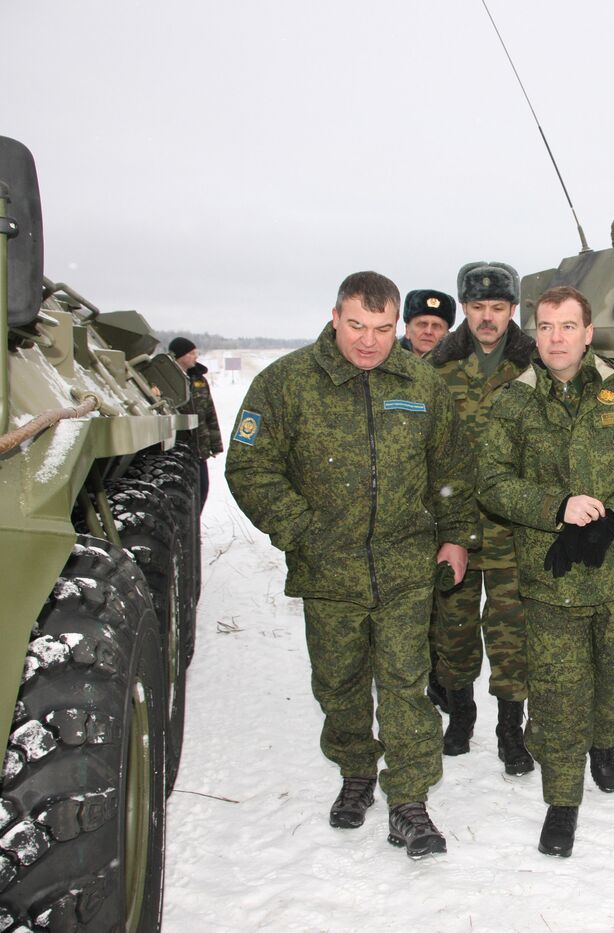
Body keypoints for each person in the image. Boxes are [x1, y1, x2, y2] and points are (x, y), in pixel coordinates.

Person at [225, 271, 476, 859]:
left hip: (405, 565)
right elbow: (250, 468)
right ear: (335, 317)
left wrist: (456, 536)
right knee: (337, 682)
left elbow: (453, 467)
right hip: (328, 571)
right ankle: (356, 770)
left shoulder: (420, 382)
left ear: (398, 327)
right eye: (358, 326)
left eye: (383, 329)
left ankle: (410, 800)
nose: (369, 341)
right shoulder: (285, 384)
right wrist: (302, 530)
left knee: (405, 685)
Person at [478, 284, 614, 858]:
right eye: (545, 327)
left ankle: (603, 739)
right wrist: (555, 508)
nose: (556, 338)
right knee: (560, 698)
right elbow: (491, 483)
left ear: (588, 334)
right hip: (551, 583)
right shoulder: (510, 403)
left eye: (568, 326)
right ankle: (561, 801)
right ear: (534, 334)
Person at [425, 261, 537, 772]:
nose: (487, 318)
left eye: (497, 308)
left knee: (512, 630)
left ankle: (510, 729)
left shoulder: (536, 365)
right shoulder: (437, 369)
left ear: (513, 310)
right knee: (454, 627)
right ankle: (461, 716)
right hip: (456, 526)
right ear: (464, 309)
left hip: (516, 524)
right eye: (477, 308)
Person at [169, 336, 223, 505]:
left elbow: (209, 413)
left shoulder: (199, 379)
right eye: (191, 353)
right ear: (180, 356)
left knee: (202, 490)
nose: (195, 356)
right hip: (177, 450)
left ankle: (193, 529)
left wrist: (215, 444)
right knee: (182, 496)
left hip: (199, 449)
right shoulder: (165, 380)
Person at [399, 288, 455, 357]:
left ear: (447, 334)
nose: (428, 332)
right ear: (407, 330)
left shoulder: (462, 365)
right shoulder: (385, 360)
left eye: (436, 326)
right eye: (422, 324)